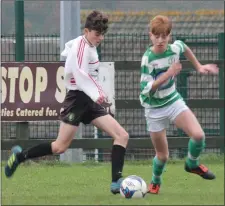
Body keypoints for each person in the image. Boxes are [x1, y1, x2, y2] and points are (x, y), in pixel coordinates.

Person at [5, 10, 129, 195]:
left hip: (89, 101)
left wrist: (96, 95)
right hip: (77, 100)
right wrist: (98, 94)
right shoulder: (81, 47)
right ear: (86, 31)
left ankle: (115, 183)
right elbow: (80, 76)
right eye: (97, 34)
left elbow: (89, 75)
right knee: (59, 147)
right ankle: (19, 156)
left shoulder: (89, 45)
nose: (100, 37)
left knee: (122, 135)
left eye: (103, 34)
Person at [139, 15, 218, 194]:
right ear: (150, 35)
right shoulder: (147, 59)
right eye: (156, 36)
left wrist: (198, 66)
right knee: (162, 156)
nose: (160, 40)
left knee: (198, 135)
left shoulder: (174, 48)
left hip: (173, 101)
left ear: (169, 35)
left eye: (164, 36)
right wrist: (169, 73)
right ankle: (155, 181)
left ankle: (192, 163)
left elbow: (183, 46)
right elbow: (147, 90)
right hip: (154, 109)